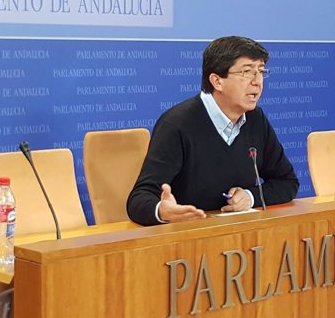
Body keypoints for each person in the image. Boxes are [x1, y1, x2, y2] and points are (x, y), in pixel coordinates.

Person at [127, 36, 299, 226]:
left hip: (238, 240)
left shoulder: (255, 120)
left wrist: (250, 197)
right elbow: (139, 199)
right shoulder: (177, 124)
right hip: (187, 239)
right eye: (247, 72)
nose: (257, 82)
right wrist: (162, 210)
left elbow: (287, 182)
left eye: (260, 71)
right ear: (217, 81)